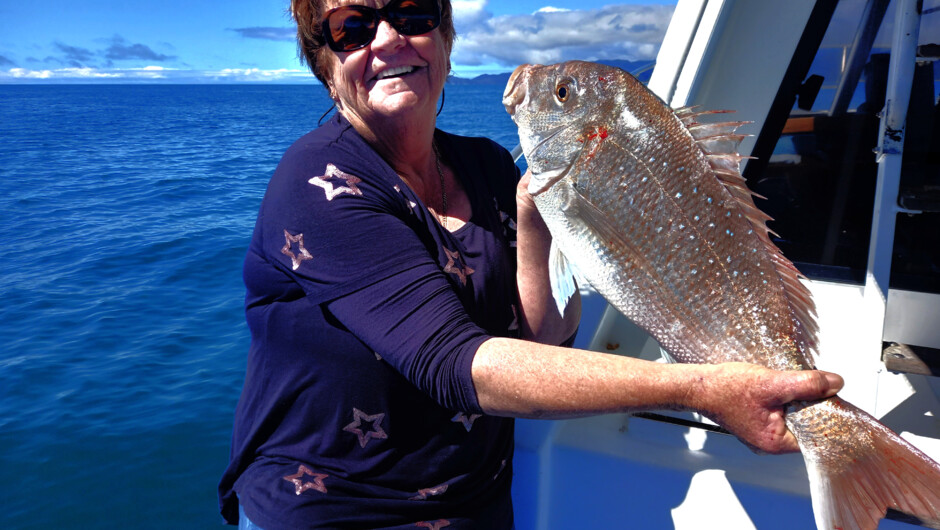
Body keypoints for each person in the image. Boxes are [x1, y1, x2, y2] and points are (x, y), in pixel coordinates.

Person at [218, 0, 844, 528]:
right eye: (352, 27)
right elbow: (458, 365)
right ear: (325, 66)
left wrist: (540, 216)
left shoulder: (488, 165)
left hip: (477, 502)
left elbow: (541, 334)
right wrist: (701, 388)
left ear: (443, 39)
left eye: (413, 14)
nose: (387, 39)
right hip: (336, 509)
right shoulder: (319, 182)